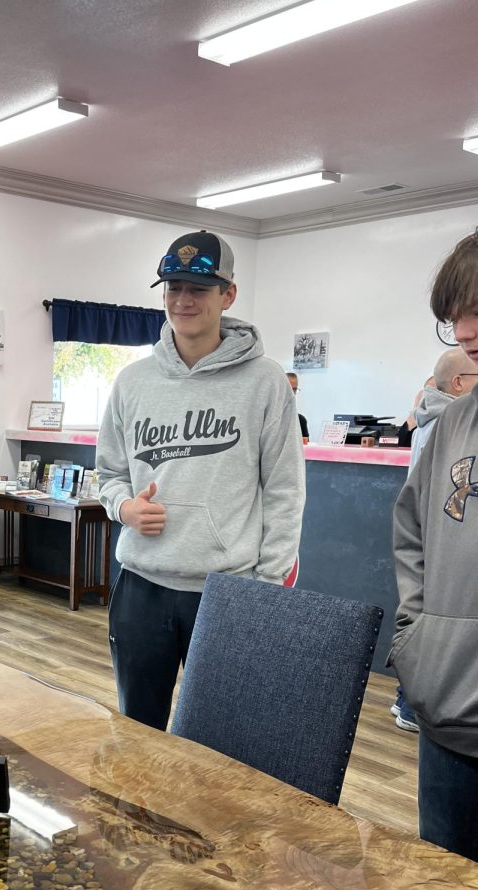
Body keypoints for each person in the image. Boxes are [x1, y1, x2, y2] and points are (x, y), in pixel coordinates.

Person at [97, 230, 305, 730]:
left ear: (227, 294)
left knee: (220, 732)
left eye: (198, 289)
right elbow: (109, 473)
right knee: (137, 728)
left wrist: (267, 586)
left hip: (227, 590)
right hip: (141, 587)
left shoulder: (265, 381)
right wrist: (124, 507)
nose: (183, 300)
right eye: (173, 288)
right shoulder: (133, 381)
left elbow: (284, 491)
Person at [391, 214, 478, 884]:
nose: (462, 333)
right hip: (444, 707)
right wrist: (416, 641)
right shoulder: (455, 420)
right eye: (453, 319)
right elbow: (412, 533)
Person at [390, 351, 478, 734]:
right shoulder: (454, 422)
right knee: (434, 627)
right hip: (440, 536)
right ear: (458, 382)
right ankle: (411, 707)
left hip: (427, 534)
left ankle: (404, 701)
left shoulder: (425, 417)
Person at [286, 372, 309, 441]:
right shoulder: (267, 418)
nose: (292, 394)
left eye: (294, 390)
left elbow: (305, 447)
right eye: (289, 389)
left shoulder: (300, 420)